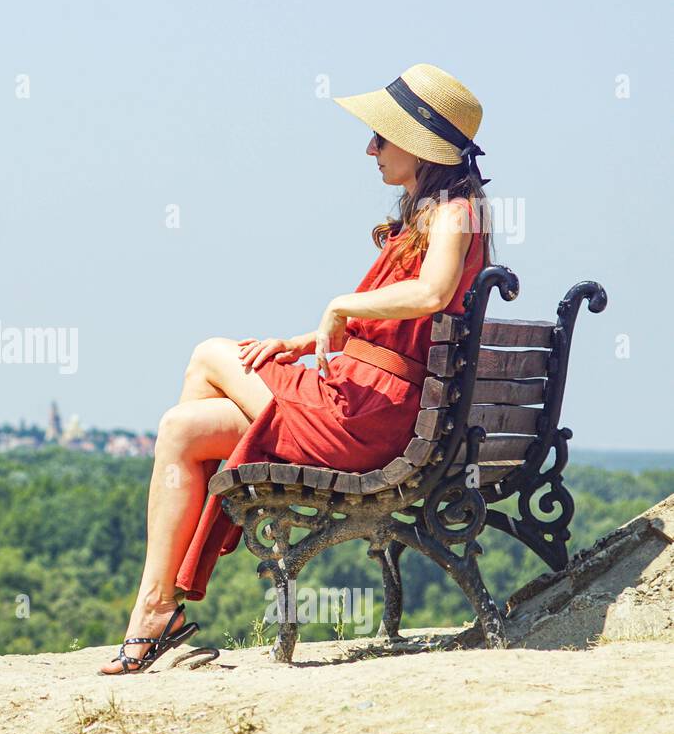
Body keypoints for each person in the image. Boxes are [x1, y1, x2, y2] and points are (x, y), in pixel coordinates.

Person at [102, 63, 494, 674]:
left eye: (382, 136)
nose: (370, 147)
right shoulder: (439, 213)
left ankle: (167, 598)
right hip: (365, 400)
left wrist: (340, 303)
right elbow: (393, 329)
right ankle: (156, 609)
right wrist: (302, 340)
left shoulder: (459, 213)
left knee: (210, 353)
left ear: (420, 144)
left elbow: (432, 293)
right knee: (181, 429)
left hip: (369, 420)